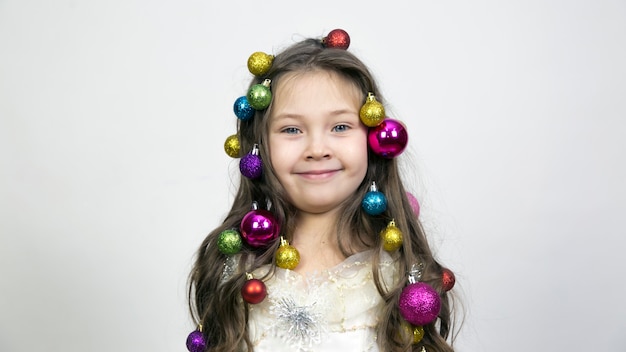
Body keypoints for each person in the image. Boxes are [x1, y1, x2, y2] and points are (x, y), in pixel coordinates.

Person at [187, 29, 460, 352]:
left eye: (340, 127)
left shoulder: (401, 276)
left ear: (373, 139)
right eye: (291, 129)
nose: (317, 149)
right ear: (259, 145)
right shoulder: (235, 268)